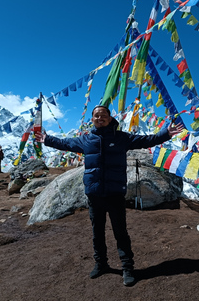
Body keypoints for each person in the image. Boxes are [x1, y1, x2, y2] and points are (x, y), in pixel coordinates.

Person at [35, 105, 183, 286]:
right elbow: (65, 144)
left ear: (110, 118)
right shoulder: (86, 140)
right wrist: (47, 139)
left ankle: (128, 268)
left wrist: (165, 134)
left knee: (120, 233)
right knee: (97, 233)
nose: (100, 118)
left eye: (103, 115)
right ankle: (101, 264)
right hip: (94, 195)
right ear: (92, 119)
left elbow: (146, 140)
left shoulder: (121, 138)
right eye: (96, 115)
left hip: (115, 194)